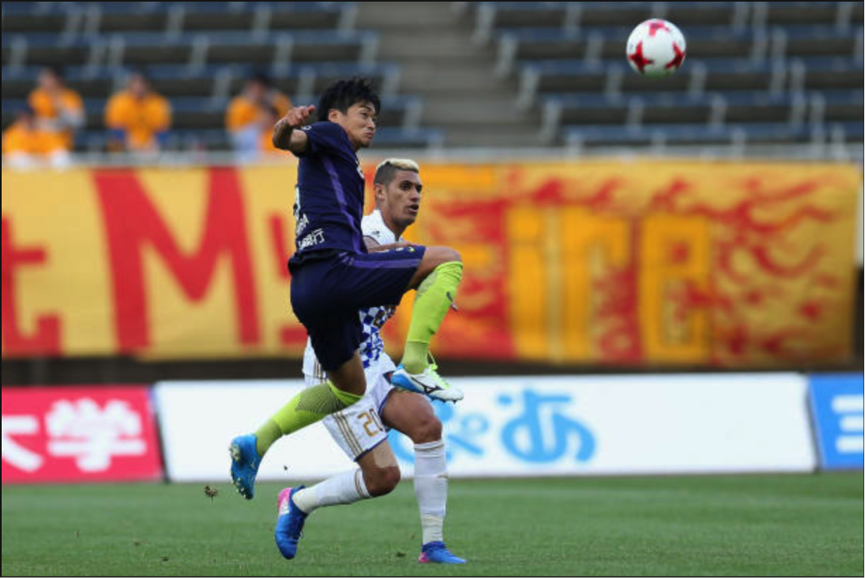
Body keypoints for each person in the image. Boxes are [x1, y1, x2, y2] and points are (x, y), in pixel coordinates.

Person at [229, 77, 464, 508]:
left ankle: (256, 441)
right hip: (336, 271)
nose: (371, 124)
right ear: (336, 115)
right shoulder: (331, 135)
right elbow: (289, 140)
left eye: (374, 117)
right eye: (364, 114)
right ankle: (415, 362)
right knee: (446, 259)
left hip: (310, 291)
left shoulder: (340, 166)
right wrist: (285, 125)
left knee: (348, 389)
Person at [274, 158, 465, 564]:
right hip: (335, 366)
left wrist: (431, 282)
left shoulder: (396, 243)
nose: (414, 196)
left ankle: (433, 545)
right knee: (384, 478)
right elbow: (368, 258)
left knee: (428, 425)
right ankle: (298, 501)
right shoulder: (363, 231)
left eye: (418, 190)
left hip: (372, 356)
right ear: (379, 193)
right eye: (404, 187)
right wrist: (417, 264)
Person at [226, 72, 292, 162]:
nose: (258, 92)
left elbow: (289, 123)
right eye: (255, 89)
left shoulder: (278, 101)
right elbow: (236, 136)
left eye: (260, 89)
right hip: (251, 149)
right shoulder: (240, 105)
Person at [104, 70, 171, 153]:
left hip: (150, 151)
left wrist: (150, 147)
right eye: (135, 82)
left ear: (148, 84)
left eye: (141, 83)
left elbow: (162, 130)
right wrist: (131, 145)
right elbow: (116, 129)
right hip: (122, 150)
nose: (138, 86)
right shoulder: (118, 101)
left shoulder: (158, 103)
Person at [27, 65, 84, 151]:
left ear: (57, 79)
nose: (41, 80)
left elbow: (78, 122)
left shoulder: (69, 97)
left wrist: (61, 109)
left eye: (47, 77)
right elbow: (31, 122)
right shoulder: (36, 96)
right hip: (36, 145)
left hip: (60, 145)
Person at [2, 106, 71, 169]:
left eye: (28, 117)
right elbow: (15, 156)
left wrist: (41, 161)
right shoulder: (12, 134)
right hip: (22, 172)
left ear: (34, 118)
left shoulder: (45, 131)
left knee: (61, 160)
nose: (25, 121)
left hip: (45, 166)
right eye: (22, 118)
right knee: (18, 161)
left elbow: (59, 152)